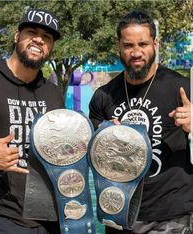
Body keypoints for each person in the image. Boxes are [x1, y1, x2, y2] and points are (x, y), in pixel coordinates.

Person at [0, 8, 65, 234]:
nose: (39, 39)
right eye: (32, 32)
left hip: (50, 219)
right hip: (0, 217)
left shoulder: (53, 94)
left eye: (47, 37)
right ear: (17, 36)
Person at [89, 10, 192, 234]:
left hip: (170, 215)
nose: (136, 52)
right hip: (119, 211)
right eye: (128, 45)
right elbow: (92, 158)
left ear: (155, 43)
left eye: (143, 44)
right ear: (118, 46)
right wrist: (103, 135)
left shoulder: (182, 87)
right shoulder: (103, 96)